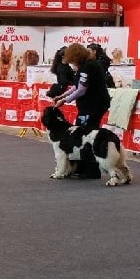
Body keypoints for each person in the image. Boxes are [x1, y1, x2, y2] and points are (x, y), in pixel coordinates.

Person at [53, 43, 111, 179]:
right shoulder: (85, 66)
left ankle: (92, 170)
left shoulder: (88, 67)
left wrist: (64, 101)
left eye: (72, 61)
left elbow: (81, 90)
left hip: (93, 106)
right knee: (82, 135)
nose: (71, 64)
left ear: (76, 57)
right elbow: (76, 86)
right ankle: (82, 167)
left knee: (88, 136)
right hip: (89, 106)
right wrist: (62, 95)